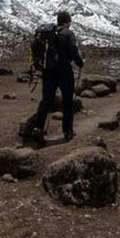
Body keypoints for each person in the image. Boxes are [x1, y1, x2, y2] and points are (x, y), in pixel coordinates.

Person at [32, 11, 84, 143]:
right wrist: (80, 62)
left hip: (48, 70)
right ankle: (67, 131)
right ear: (68, 22)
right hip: (64, 70)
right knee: (67, 101)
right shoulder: (68, 33)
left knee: (47, 100)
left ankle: (38, 128)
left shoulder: (49, 34)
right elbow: (73, 51)